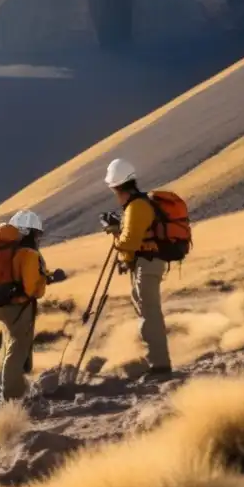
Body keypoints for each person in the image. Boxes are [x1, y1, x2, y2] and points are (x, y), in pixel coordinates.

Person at [103, 158, 172, 376]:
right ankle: (156, 361)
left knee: (149, 314)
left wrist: (115, 234)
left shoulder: (136, 207)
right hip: (145, 263)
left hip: (147, 263)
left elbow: (129, 242)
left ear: (116, 186)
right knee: (146, 311)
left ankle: (159, 366)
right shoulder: (136, 205)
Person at [0, 210, 48, 401]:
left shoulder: (1, 252)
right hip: (20, 307)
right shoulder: (29, 254)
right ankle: (12, 396)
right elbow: (32, 289)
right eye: (37, 234)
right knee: (18, 348)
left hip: (3, 306)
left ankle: (16, 389)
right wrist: (43, 282)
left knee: (10, 345)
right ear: (29, 232)